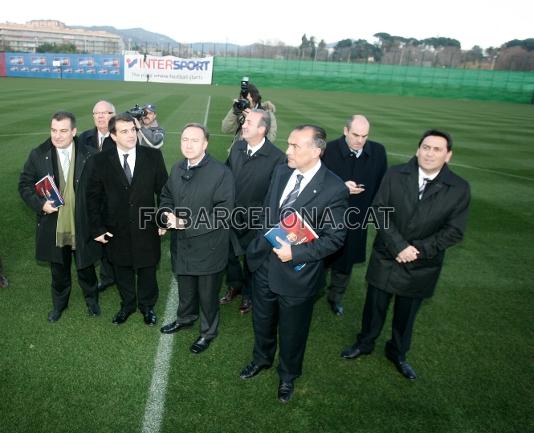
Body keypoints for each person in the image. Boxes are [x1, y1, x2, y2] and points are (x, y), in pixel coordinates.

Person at [340, 129, 471, 380]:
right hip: (387, 256)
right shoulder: (394, 174)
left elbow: (454, 231)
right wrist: (399, 246)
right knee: (374, 307)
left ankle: (398, 353)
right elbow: (379, 211)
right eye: (426, 147)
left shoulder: (459, 188)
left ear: (448, 155)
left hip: (422, 264)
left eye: (437, 149)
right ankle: (364, 343)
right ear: (417, 149)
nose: (430, 153)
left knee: (407, 314)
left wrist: (417, 251)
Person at [240, 125, 348, 403]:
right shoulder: (281, 170)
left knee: (292, 330)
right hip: (264, 264)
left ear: (316, 150)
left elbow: (335, 239)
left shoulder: (334, 188)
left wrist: (296, 254)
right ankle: (261, 359)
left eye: (295, 146)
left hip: (296, 276)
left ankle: (287, 375)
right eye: (288, 144)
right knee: (262, 320)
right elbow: (268, 209)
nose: (287, 151)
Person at [86, 113, 168, 326]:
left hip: (146, 225)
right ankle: (128, 304)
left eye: (133, 129)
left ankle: (147, 306)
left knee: (148, 268)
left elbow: (165, 192)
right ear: (113, 135)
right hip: (116, 228)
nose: (131, 135)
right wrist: (97, 228)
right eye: (124, 131)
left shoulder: (153, 157)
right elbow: (92, 198)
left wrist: (162, 219)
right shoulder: (99, 161)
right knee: (121, 269)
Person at [18, 111, 101, 322]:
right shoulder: (38, 154)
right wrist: (40, 204)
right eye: (54, 130)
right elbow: (24, 184)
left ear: (74, 131)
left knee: (86, 267)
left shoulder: (90, 154)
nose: (57, 136)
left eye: (63, 131)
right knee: (58, 269)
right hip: (54, 225)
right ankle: (59, 305)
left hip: (81, 224)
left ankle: (92, 300)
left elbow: (102, 190)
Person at [159, 123, 234, 354]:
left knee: (208, 295)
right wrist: (164, 215)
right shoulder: (177, 167)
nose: (188, 145)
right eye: (184, 140)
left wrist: (186, 223)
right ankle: (185, 318)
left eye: (194, 140)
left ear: (205, 144)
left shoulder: (221, 173)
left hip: (209, 247)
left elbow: (223, 214)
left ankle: (208, 332)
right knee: (186, 287)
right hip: (182, 245)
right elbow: (166, 197)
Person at [219, 109, 286, 314]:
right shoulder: (237, 147)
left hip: (255, 220)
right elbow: (226, 175)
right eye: (245, 121)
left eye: (249, 122)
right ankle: (235, 285)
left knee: (252, 258)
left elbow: (275, 194)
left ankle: (248, 293)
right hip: (230, 215)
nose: (244, 125)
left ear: (262, 129)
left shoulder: (277, 157)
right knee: (228, 254)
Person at [322, 115, 387, 316]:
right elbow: (315, 181)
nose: (360, 140)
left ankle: (335, 297)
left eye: (364, 136)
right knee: (319, 257)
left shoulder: (378, 151)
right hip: (326, 217)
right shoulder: (329, 150)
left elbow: (382, 186)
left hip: (356, 219)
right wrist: (340, 187)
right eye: (356, 135)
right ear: (345, 131)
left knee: (345, 262)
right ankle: (311, 291)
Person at [78, 100, 117, 291]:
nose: (101, 116)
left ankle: (111, 275)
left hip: (113, 199)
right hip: (91, 197)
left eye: (106, 112)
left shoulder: (121, 137)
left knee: (111, 237)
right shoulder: (83, 138)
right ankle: (96, 274)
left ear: (113, 116)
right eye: (97, 113)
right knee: (92, 235)